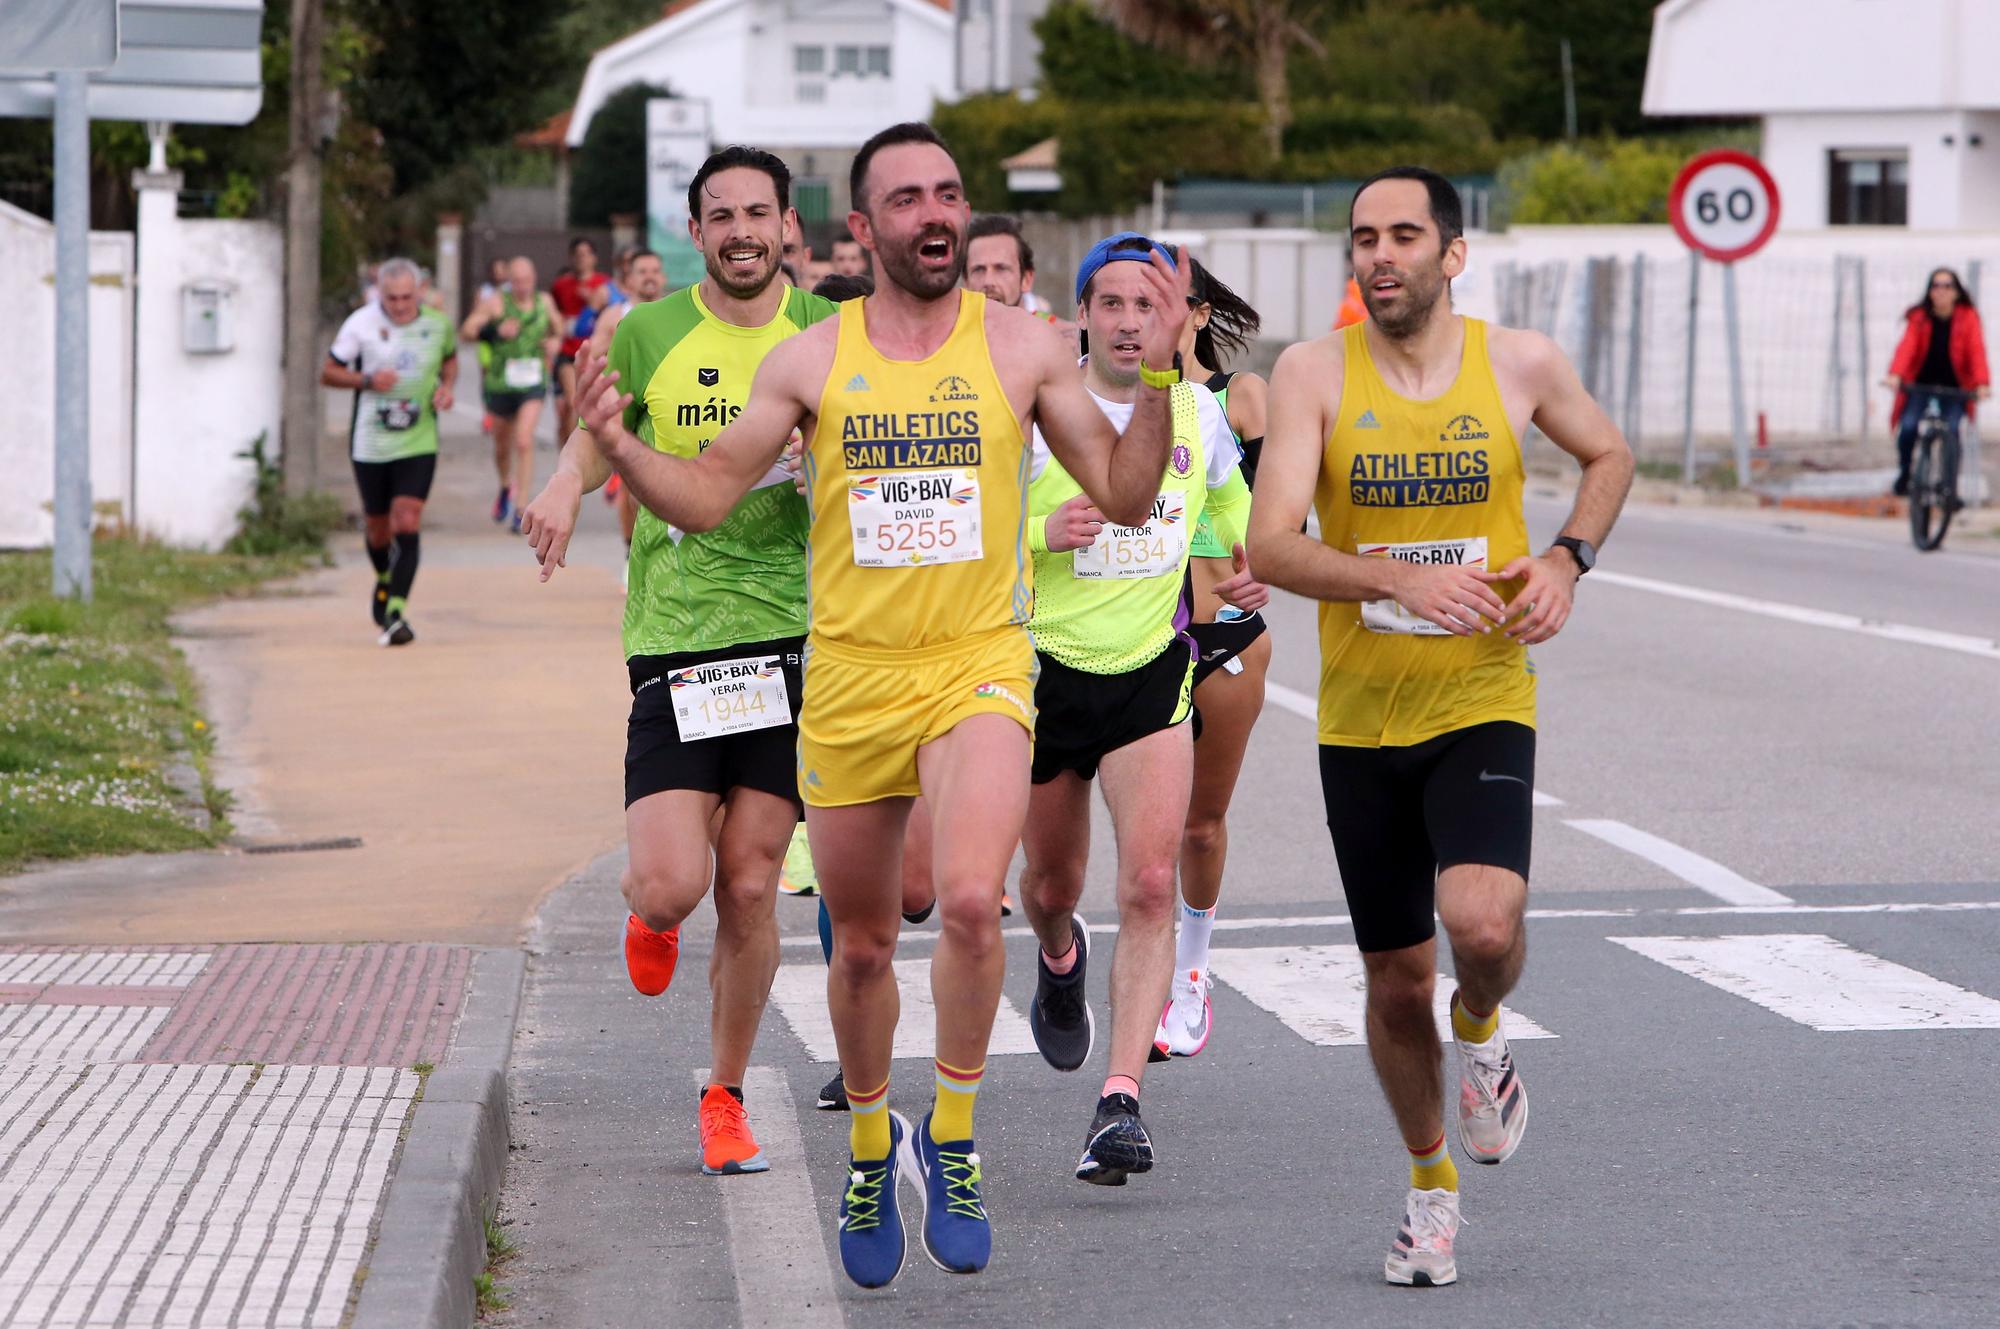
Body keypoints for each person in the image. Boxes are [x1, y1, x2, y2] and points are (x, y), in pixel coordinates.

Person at [565, 120, 1189, 1290]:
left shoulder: (1026, 347)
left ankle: (950, 1138)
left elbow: (1120, 488)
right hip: (849, 682)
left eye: (949, 193)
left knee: (962, 901)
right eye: (905, 199)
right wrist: (612, 444)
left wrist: (1155, 374)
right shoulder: (808, 363)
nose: (934, 214)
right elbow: (703, 497)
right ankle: (868, 1144)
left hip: (980, 667)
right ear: (861, 228)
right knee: (857, 947)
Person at [1250, 166, 1633, 1288]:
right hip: (1361, 719)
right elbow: (1271, 545)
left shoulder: (1516, 363)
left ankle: (1482, 1022)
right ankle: (1428, 1191)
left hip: (1481, 693)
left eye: (1403, 235)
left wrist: (1567, 558)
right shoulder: (1310, 373)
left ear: (1449, 255)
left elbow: (1606, 455)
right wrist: (1390, 578)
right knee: (1388, 981)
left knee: (1477, 925)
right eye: (1363, 236)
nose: (1379, 254)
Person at [519, 148, 837, 1182]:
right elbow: (600, 435)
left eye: (758, 212)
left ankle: (724, 1094)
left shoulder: (830, 335)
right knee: (670, 886)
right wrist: (565, 484)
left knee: (749, 885)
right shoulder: (648, 328)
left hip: (797, 636)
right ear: (693, 232)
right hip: (680, 639)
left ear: (787, 225)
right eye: (719, 216)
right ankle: (647, 917)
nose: (740, 230)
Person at [1016, 232, 1264, 1187]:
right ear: (1082, 312)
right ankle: (1059, 952)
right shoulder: (1039, 410)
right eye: (1111, 303)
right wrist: (1043, 531)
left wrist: (1244, 572)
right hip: (1039, 671)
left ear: (1181, 319)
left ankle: (1120, 1099)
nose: (1129, 321)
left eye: (1149, 306)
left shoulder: (1200, 414)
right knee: (1048, 885)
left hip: (1149, 673)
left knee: (1151, 883)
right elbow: (969, 533)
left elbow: (1227, 517)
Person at [1157, 257, 1272, 1060]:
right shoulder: (1097, 401)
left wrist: (1272, 558)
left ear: (1198, 314)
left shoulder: (1239, 398)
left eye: (1166, 303)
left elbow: (1275, 512)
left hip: (1226, 629)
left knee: (1199, 825)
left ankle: (1190, 977)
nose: (1147, 317)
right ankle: (1066, 944)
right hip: (1127, 637)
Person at [322, 258, 457, 647]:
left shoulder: (437, 324)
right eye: (391, 298)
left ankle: (396, 611)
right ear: (379, 294)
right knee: (378, 527)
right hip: (371, 442)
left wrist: (446, 388)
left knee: (407, 518)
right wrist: (366, 379)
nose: (399, 306)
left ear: (420, 292)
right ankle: (384, 576)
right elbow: (328, 371)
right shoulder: (360, 324)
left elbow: (449, 359)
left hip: (419, 440)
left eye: (406, 298)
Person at [461, 257, 559, 533]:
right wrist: (494, 330)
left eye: (527, 281)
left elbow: (559, 329)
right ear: (509, 281)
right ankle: (506, 484)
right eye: (516, 282)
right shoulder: (496, 303)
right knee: (502, 446)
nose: (522, 287)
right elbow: (467, 330)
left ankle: (521, 505)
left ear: (534, 278)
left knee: (524, 440)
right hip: (500, 383)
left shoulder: (545, 302)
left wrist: (554, 342)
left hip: (533, 382)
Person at [583, 249, 668, 556]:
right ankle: (630, 552)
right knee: (634, 491)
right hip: (628, 410)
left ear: (664, 278)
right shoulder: (616, 316)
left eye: (655, 271)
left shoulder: (676, 314)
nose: (650, 276)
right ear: (629, 280)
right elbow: (590, 358)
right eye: (642, 271)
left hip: (668, 410)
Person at [1885, 267, 1990, 496]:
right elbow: (1907, 347)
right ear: (1930, 291)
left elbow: (1976, 351)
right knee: (1909, 426)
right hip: (1921, 386)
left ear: (1956, 292)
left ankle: (1949, 487)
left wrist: (1981, 383)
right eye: (1936, 286)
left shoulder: (1968, 317)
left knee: (1952, 430)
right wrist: (1896, 375)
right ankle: (1905, 473)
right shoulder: (1919, 317)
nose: (1941, 291)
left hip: (1955, 388)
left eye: (1947, 286)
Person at [552, 237, 609, 442]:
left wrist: (593, 303)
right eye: (577, 255)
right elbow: (554, 314)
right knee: (572, 402)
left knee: (590, 405)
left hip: (596, 352)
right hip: (568, 353)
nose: (581, 259)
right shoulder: (561, 285)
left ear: (594, 258)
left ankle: (586, 449)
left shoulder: (603, 285)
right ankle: (568, 449)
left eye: (586, 254)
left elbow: (613, 314)